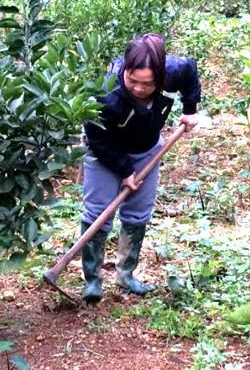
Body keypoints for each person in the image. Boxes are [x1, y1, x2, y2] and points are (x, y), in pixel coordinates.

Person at [80, 33, 201, 303]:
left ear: (159, 76)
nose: (137, 88)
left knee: (138, 213)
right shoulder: (107, 93)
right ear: (124, 70)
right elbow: (98, 137)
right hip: (105, 150)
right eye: (131, 80)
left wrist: (190, 109)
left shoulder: (174, 70)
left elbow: (191, 71)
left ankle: (126, 276)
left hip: (146, 148)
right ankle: (92, 281)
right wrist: (125, 171)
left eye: (146, 84)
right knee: (97, 211)